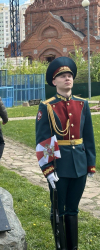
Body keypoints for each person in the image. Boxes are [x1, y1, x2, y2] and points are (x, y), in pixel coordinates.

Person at [35, 57, 96, 249]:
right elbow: (43, 140)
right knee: (58, 210)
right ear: (54, 82)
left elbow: (88, 136)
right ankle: (61, 246)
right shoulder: (47, 106)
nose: (67, 79)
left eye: (69, 75)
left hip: (79, 164)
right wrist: (48, 168)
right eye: (62, 76)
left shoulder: (82, 104)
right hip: (58, 167)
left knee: (73, 209)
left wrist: (90, 163)